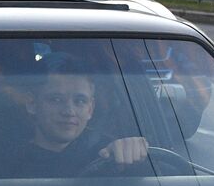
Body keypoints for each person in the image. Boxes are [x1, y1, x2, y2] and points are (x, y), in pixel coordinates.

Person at [12, 54, 148, 177]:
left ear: (90, 109)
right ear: (32, 104)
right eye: (56, 99)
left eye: (80, 101)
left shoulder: (110, 154)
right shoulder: (6, 164)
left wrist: (135, 156)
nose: (69, 111)